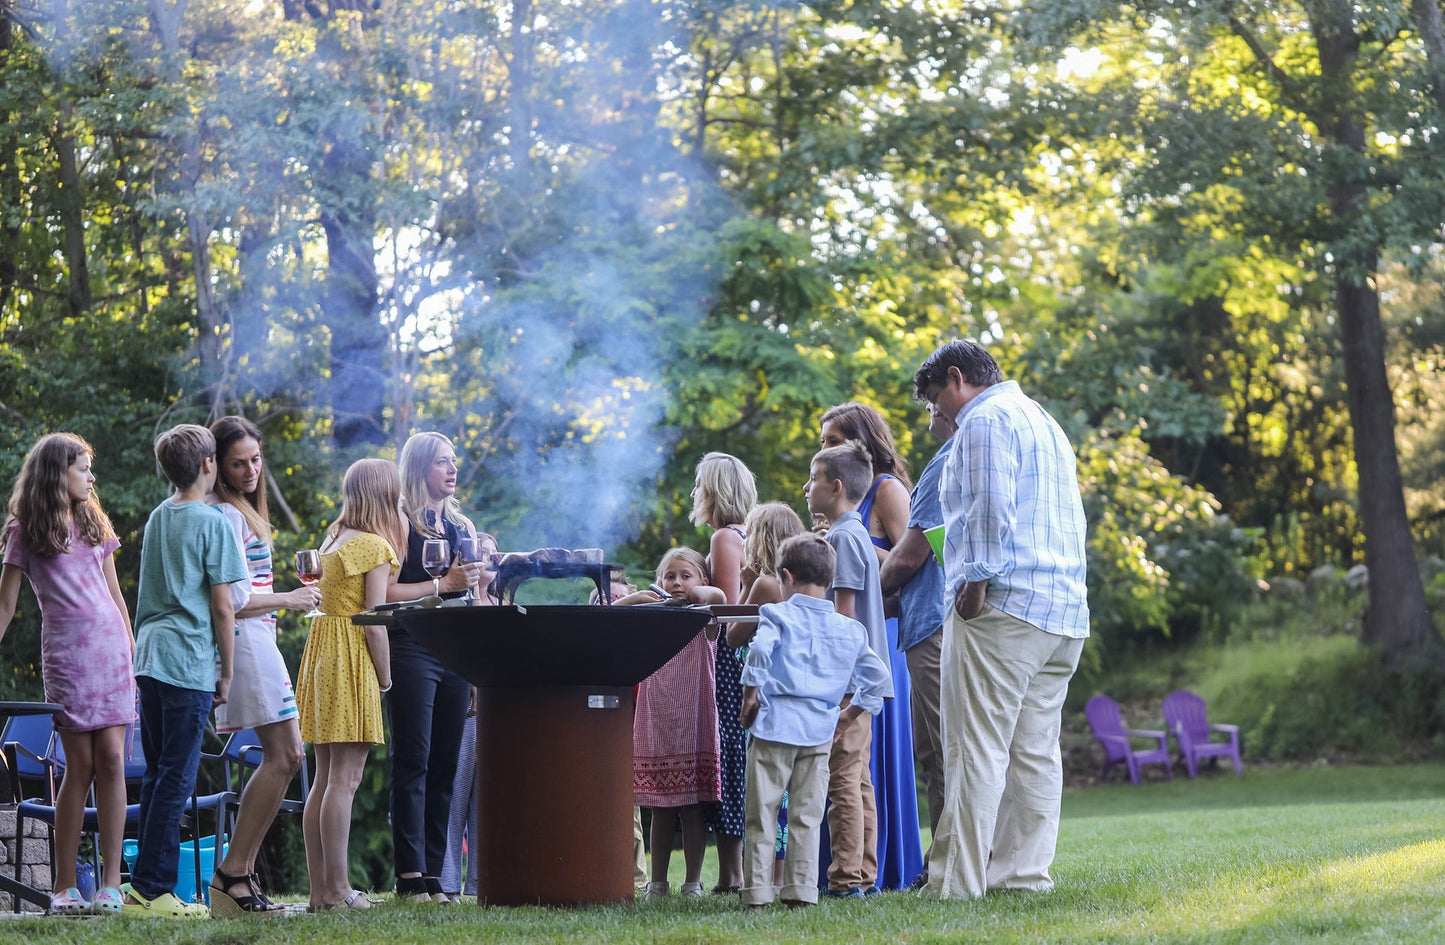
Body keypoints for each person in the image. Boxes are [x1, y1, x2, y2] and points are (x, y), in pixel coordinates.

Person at [913, 340, 1090, 900]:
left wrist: (976, 581)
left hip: (1003, 606)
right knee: (1035, 752)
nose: (935, 414)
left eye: (935, 399)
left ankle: (958, 886)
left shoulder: (985, 420)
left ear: (958, 378)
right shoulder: (1043, 420)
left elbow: (990, 506)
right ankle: (1022, 877)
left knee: (975, 747)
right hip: (1060, 611)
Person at [0, 433, 135, 916]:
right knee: (79, 767)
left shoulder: (93, 519)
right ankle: (63, 887)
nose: (91, 477)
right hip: (68, 659)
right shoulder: (24, 530)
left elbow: (115, 596)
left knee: (114, 761)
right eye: (83, 468)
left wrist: (131, 649)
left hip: (112, 655)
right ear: (58, 472)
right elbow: (6, 604)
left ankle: (113, 884)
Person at [124, 424, 248, 919]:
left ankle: (141, 892)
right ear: (207, 465)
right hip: (186, 662)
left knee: (158, 774)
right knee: (177, 778)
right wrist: (227, 672)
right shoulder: (213, 522)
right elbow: (223, 607)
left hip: (150, 658)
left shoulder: (158, 517)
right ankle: (154, 892)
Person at [205, 416, 321, 916]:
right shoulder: (226, 516)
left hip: (259, 640)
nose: (250, 469)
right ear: (219, 467)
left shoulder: (243, 512)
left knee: (288, 756)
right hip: (246, 642)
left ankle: (239, 874)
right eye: (238, 462)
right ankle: (232, 872)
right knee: (286, 755)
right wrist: (292, 599)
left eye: (255, 459)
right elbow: (233, 598)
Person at [738, 534, 891, 911]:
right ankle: (801, 892)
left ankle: (758, 893)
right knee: (807, 816)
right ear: (828, 582)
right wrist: (848, 715)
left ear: (785, 577)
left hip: (775, 726)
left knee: (763, 814)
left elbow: (758, 650)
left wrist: (750, 696)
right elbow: (879, 681)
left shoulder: (777, 613)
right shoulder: (850, 630)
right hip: (820, 731)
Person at [819, 402, 924, 891]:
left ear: (862, 440)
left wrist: (852, 543)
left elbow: (915, 561)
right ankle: (842, 866)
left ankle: (878, 868)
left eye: (834, 440)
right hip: (846, 637)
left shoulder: (886, 490)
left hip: (878, 641)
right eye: (823, 442)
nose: (825, 449)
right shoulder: (836, 508)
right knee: (846, 765)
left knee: (861, 761)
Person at [296, 458, 404, 911]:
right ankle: (339, 891)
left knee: (324, 777)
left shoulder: (334, 537)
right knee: (346, 777)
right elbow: (375, 622)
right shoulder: (374, 546)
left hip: (321, 650)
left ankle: (321, 892)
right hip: (350, 654)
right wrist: (385, 678)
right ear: (383, 495)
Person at [384, 432, 482, 903]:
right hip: (413, 647)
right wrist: (441, 585)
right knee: (413, 760)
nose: (452, 469)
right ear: (420, 468)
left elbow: (474, 592)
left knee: (445, 764)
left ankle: (434, 880)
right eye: (442, 462)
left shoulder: (461, 525)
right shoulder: (399, 522)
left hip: (456, 651)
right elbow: (383, 595)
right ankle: (408, 876)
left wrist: (481, 662)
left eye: (453, 461)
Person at [803, 441, 893, 899]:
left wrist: (831, 685)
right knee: (858, 780)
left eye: (813, 478)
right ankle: (864, 875)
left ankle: (844, 880)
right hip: (868, 679)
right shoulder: (853, 533)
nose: (806, 486)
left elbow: (842, 619)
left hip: (849, 682)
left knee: (842, 779)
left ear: (835, 487)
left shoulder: (841, 539)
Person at [878, 399, 957, 887]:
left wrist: (865, 593)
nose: (927, 411)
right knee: (931, 751)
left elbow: (911, 556)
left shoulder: (943, 464)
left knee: (947, 749)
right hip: (924, 621)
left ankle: (956, 864)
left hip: (933, 621)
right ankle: (940, 861)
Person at [618, 547, 725, 899]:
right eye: (669, 576)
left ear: (702, 580)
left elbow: (719, 595)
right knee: (660, 808)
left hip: (694, 720)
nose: (676, 583)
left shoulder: (705, 615)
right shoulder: (650, 616)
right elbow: (605, 617)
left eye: (685, 575)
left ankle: (693, 883)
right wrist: (637, 598)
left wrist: (691, 594)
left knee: (693, 808)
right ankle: (657, 883)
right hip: (656, 720)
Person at [689, 452, 756, 893]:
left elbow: (729, 613)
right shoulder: (750, 532)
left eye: (699, 485)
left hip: (733, 664)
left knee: (730, 758)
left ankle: (732, 874)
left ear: (713, 491)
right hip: (753, 661)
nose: (694, 494)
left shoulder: (724, 539)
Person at [439, 531, 498, 900]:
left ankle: (481, 883)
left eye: (492, 557)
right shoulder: (456, 603)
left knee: (487, 804)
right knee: (455, 796)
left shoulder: (505, 603)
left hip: (498, 712)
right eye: (479, 556)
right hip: (465, 712)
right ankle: (446, 883)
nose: (485, 562)